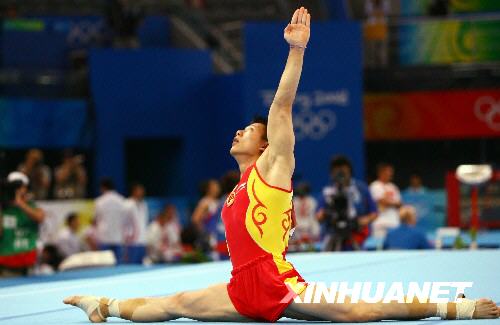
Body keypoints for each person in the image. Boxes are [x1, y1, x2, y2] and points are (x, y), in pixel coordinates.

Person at [64, 8, 499, 322]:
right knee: (173, 303)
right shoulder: (236, 186)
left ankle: (457, 308)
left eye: (247, 131)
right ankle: (102, 305)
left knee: (360, 312)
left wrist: (296, 51)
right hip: (239, 288)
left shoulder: (273, 168)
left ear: (265, 145)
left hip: (277, 282)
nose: (238, 133)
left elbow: (283, 107)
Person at [317, 156, 377, 251]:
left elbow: (374, 213)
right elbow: (318, 216)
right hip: (332, 233)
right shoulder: (328, 191)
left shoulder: (361, 188)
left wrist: (363, 220)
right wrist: (325, 213)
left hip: (355, 235)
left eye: (343, 168)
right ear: (332, 173)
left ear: (349, 170)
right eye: (336, 169)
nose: (340, 172)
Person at [0, 172, 45, 277]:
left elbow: (40, 218)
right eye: (13, 188)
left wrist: (19, 203)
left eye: (19, 187)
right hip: (7, 264)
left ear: (25, 188)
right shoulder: (3, 210)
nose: (17, 191)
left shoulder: (31, 206)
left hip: (29, 262)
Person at [94, 178, 127, 263]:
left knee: (104, 264)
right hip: (118, 236)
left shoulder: (99, 201)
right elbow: (125, 219)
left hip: (104, 237)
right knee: (118, 264)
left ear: (103, 188)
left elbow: (97, 219)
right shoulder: (122, 200)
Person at [370, 163, 402, 239]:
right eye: (388, 171)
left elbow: (399, 203)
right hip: (380, 224)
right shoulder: (375, 185)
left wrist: (388, 202)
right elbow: (381, 201)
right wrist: (391, 202)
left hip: (394, 223)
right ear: (381, 172)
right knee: (380, 247)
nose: (390, 174)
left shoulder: (393, 186)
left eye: (391, 171)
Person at [123, 183, 149, 263]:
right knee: (131, 264)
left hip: (142, 240)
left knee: (141, 266)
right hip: (131, 241)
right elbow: (123, 222)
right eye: (139, 190)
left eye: (142, 190)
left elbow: (144, 222)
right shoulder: (127, 204)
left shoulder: (144, 204)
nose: (142, 192)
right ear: (133, 191)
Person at [290, 182, 319, 251]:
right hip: (297, 231)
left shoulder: (312, 201)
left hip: (309, 229)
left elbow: (312, 219)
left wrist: (310, 237)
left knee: (315, 225)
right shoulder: (294, 201)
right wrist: (297, 238)